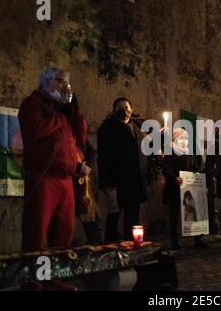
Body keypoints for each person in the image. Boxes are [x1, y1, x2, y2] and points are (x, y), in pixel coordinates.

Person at [19, 67, 87, 291]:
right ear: (47, 82)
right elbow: (35, 129)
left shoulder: (61, 112)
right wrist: (60, 117)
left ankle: (54, 279)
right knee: (37, 233)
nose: (66, 87)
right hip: (43, 177)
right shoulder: (33, 103)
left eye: (68, 83)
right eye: (61, 82)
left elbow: (77, 141)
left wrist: (75, 114)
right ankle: (33, 283)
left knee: (63, 233)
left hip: (65, 179)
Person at [97, 97, 148, 242]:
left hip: (135, 180)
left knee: (133, 217)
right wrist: (106, 184)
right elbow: (104, 158)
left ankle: (130, 247)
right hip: (117, 181)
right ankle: (110, 248)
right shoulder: (107, 129)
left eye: (127, 107)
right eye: (120, 108)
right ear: (114, 111)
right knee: (114, 216)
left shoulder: (136, 128)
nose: (125, 111)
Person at [163, 128, 208, 250]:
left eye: (186, 138)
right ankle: (174, 241)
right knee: (175, 216)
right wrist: (174, 178)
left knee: (194, 212)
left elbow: (194, 168)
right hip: (174, 190)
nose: (184, 141)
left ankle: (197, 239)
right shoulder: (170, 151)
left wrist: (201, 182)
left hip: (188, 189)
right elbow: (166, 169)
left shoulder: (188, 152)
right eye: (182, 138)